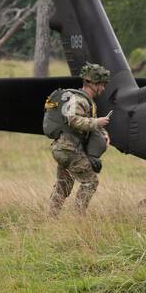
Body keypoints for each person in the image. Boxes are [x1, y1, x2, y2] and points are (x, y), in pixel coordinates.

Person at [49, 63, 111, 216]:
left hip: (64, 149)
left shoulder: (86, 101)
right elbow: (73, 120)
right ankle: (79, 217)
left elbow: (88, 121)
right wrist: (97, 123)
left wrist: (103, 132)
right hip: (69, 149)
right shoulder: (78, 100)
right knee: (90, 182)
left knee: (64, 185)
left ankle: (51, 217)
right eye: (101, 85)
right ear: (93, 83)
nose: (103, 89)